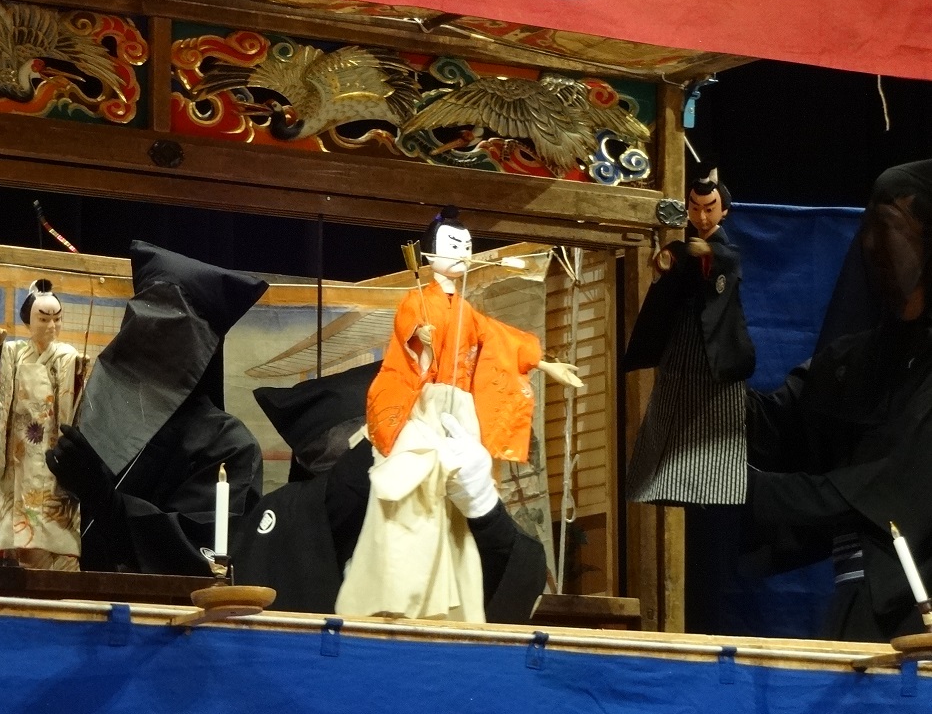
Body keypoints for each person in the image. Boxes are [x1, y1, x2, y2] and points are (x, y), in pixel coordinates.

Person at [337, 207, 578, 621]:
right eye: (453, 245)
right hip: (426, 403)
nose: (463, 253)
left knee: (458, 514)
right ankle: (402, 593)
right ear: (429, 255)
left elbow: (500, 339)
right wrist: (421, 336)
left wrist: (544, 363)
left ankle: (452, 601)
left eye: (467, 246)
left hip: (460, 410)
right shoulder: (418, 299)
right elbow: (409, 332)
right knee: (417, 494)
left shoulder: (467, 311)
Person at [744, 159, 932, 641]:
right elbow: (767, 423)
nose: (871, 245)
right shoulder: (857, 361)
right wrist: (706, 307)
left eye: (889, 225)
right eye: (869, 226)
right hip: (858, 600)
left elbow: (878, 487)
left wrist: (740, 487)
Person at [232, 363, 547, 624]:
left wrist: (484, 508)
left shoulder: (445, 497)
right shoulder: (297, 505)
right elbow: (349, 489)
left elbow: (519, 576)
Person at [47, 241, 267, 575]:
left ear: (204, 347)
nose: (151, 339)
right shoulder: (83, 410)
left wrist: (105, 499)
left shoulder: (227, 444)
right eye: (144, 322)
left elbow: (205, 559)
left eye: (169, 330)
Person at [623, 171, 755, 504]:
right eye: (695, 208)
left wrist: (705, 253)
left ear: (724, 211)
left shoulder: (724, 250)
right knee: (665, 411)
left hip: (712, 351)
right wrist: (666, 262)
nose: (702, 216)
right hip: (680, 345)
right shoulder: (685, 247)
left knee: (714, 427)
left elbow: (727, 260)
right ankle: (657, 486)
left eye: (710, 208)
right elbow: (673, 268)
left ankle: (714, 489)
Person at [0, 279, 83, 570]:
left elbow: (74, 397)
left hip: (52, 443)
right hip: (19, 448)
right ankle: (25, 564)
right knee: (21, 521)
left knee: (53, 508)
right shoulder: (15, 352)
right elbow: (0, 384)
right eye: (44, 319)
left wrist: (79, 371)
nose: (51, 325)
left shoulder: (67, 355)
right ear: (28, 320)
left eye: (57, 319)